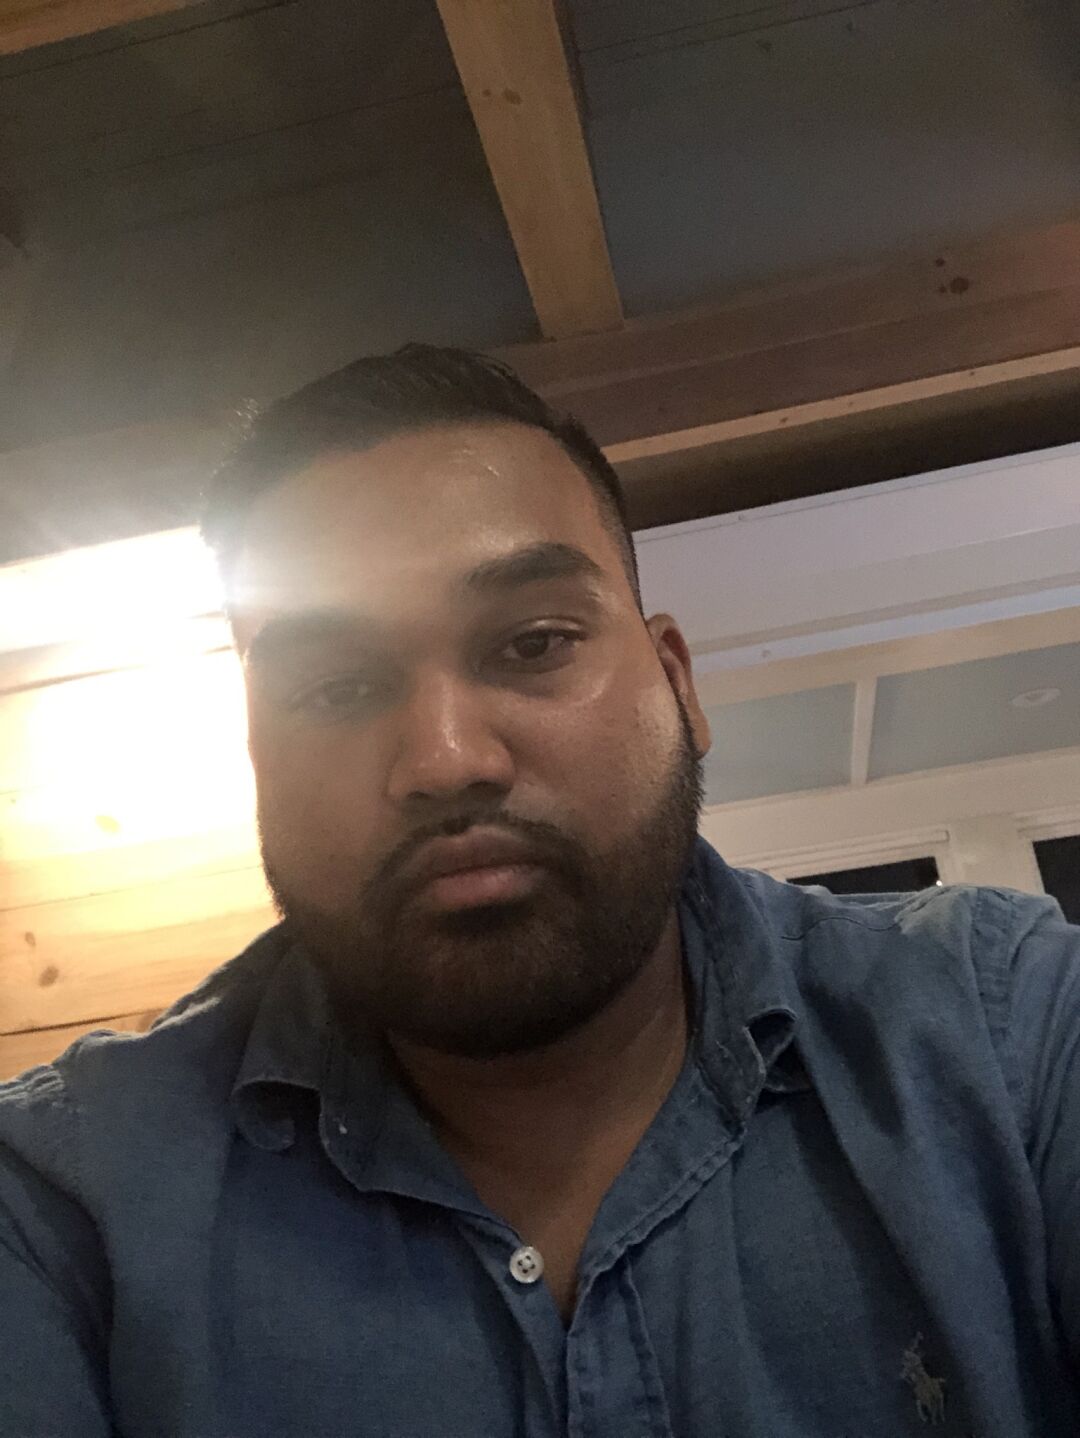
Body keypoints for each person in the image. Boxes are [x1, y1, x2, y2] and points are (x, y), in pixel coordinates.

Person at [1, 345, 1078, 1438]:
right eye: (336, 686)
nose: (446, 759)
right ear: (256, 757)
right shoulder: (61, 1206)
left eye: (533, 643)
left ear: (677, 684)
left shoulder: (1010, 1031)